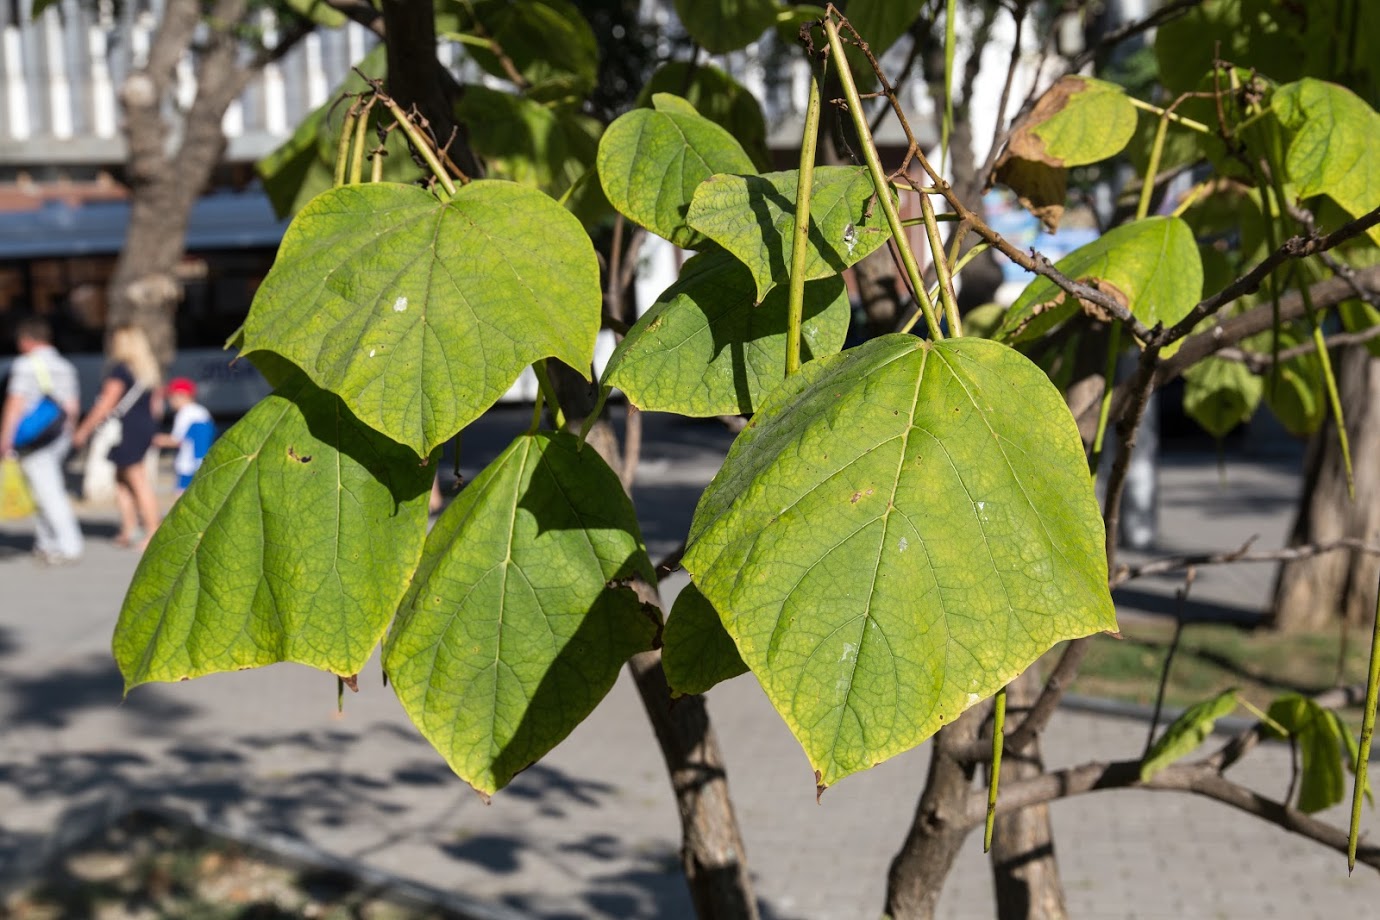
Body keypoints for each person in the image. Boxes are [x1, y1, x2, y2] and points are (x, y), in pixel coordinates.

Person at [0, 317, 84, 564]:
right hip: (57, 435)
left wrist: (5, 438)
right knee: (43, 488)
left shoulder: (25, 365)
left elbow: (15, 404)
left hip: (33, 439)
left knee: (47, 491)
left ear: (27, 340)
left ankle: (68, 545)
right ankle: (47, 542)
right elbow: (72, 406)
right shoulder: (64, 365)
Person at [73, 325, 163, 550]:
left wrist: (83, 430)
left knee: (136, 479)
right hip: (141, 426)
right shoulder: (147, 371)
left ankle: (152, 530)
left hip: (126, 429)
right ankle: (129, 528)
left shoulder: (120, 371)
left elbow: (105, 403)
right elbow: (157, 407)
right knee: (122, 479)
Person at [153, 377, 214, 495]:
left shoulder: (185, 413)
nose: (169, 401)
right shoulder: (201, 411)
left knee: (180, 497)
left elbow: (176, 440)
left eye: (171, 396)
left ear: (182, 395)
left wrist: (154, 439)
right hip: (202, 462)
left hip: (188, 464)